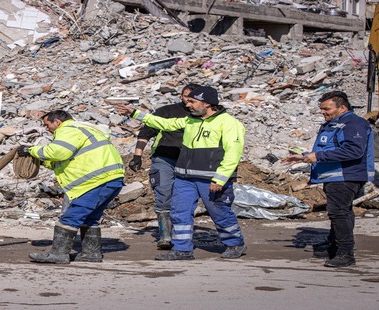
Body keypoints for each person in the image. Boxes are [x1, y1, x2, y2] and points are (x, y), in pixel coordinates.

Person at [116, 86, 247, 260]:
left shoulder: (229, 123)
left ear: (207, 103)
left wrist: (220, 179)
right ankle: (182, 249)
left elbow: (233, 153)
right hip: (185, 178)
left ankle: (235, 243)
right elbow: (165, 123)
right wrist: (136, 113)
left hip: (211, 179)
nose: (188, 104)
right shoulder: (190, 120)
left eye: (193, 101)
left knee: (219, 212)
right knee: (179, 212)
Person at [18, 110, 125, 264]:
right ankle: (91, 253)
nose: (46, 128)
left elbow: (58, 152)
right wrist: (42, 161)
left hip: (97, 180)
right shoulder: (83, 129)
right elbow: (63, 159)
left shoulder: (68, 130)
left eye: (47, 124)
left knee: (71, 216)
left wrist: (31, 151)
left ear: (57, 122)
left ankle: (59, 254)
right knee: (89, 218)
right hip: (110, 178)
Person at [281, 91, 374, 268]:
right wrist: (304, 157)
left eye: (327, 108)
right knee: (342, 212)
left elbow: (354, 151)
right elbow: (329, 149)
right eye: (321, 109)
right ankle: (334, 247)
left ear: (343, 107)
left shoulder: (352, 124)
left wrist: (319, 156)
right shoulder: (334, 124)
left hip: (346, 176)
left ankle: (345, 253)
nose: (323, 112)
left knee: (339, 212)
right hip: (335, 176)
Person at [128, 83, 200, 249]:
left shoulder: (201, 115)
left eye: (192, 98)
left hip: (190, 161)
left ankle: (182, 234)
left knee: (184, 198)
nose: (187, 101)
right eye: (185, 96)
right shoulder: (166, 111)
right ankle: (165, 235)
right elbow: (146, 132)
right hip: (164, 159)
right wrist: (137, 156)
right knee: (164, 193)